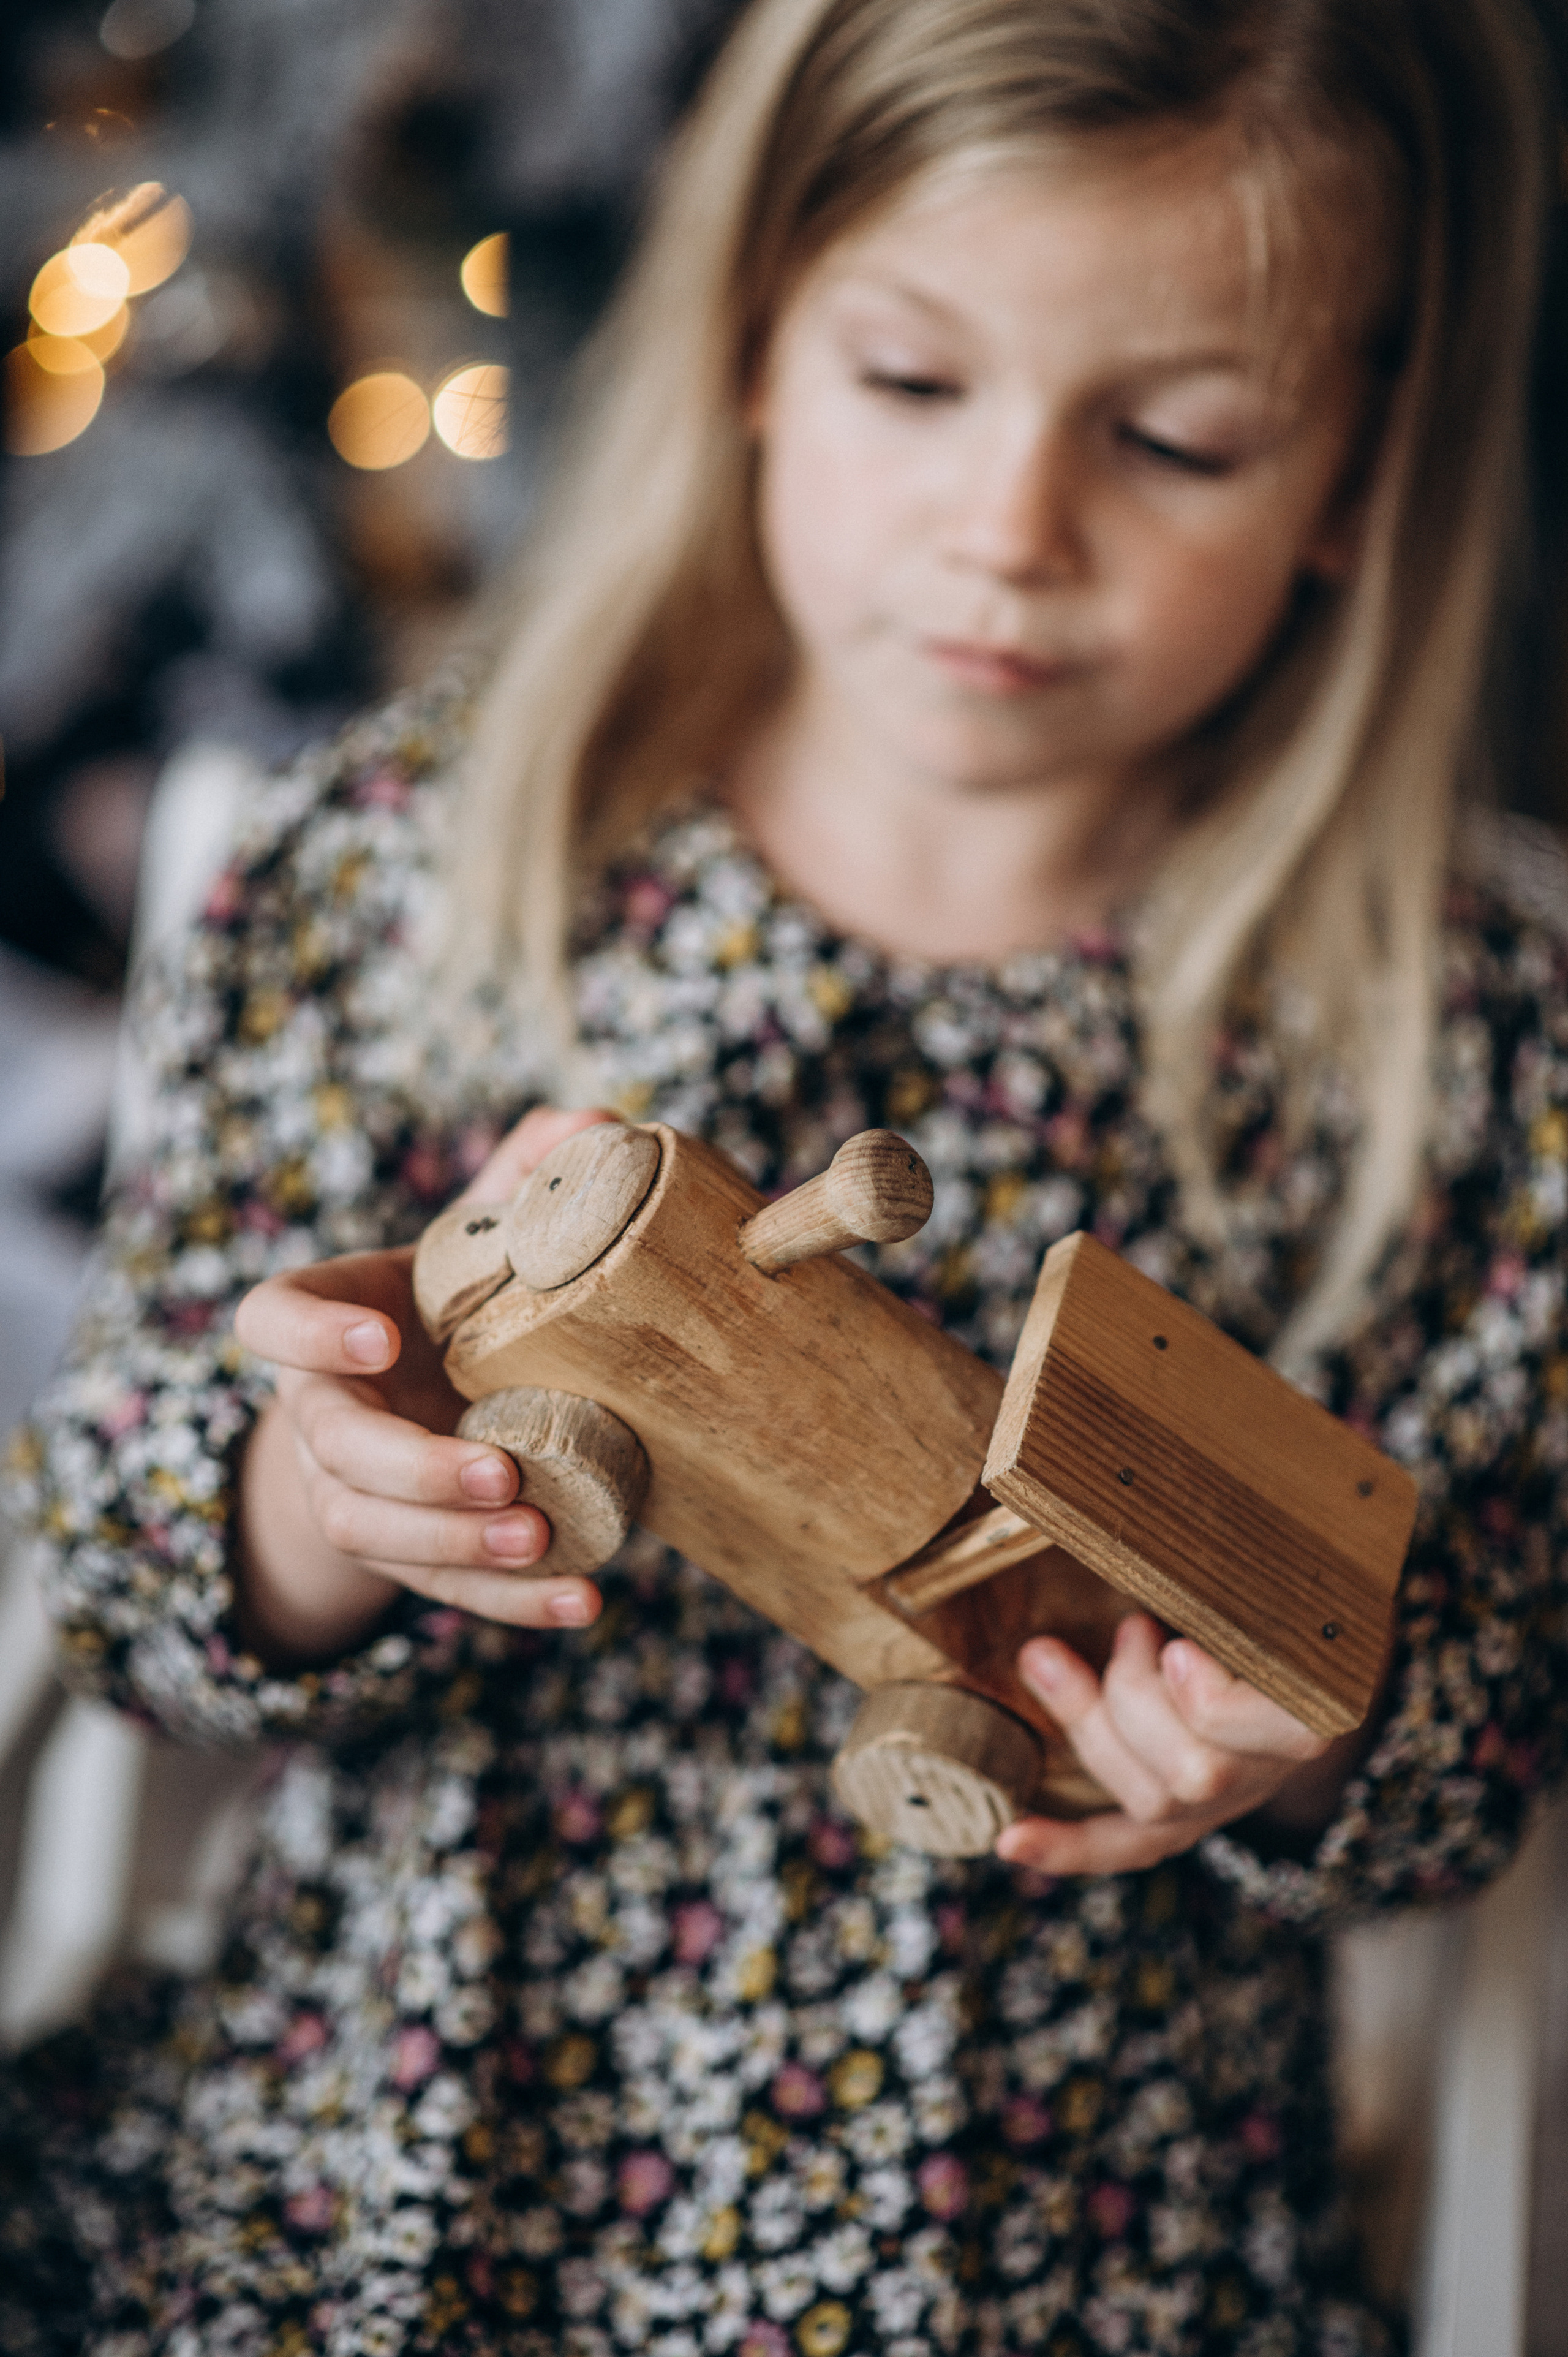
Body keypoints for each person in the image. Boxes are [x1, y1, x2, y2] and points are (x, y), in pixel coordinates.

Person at [5, 0, 1567, 2348]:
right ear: (754, 342)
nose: (1011, 529)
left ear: (1356, 469)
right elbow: (109, 1553)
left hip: (1041, 2237)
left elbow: (1474, 1745)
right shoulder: (411, 867)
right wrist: (317, 1506)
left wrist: (1294, 1737)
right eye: (914, 388)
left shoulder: (1452, 1033)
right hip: (400, 2163)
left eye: (1173, 438)